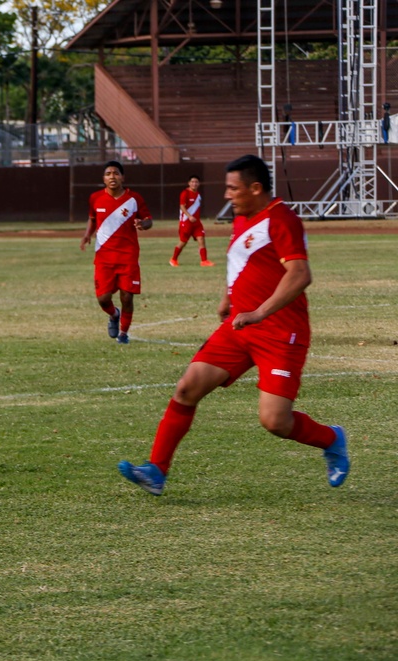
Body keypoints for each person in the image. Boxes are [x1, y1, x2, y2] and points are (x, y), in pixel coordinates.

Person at [118, 155, 349, 496]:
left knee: (275, 421)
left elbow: (300, 275)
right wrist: (229, 297)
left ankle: (332, 438)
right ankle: (156, 470)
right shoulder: (243, 217)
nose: (227, 195)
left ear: (255, 188)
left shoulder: (281, 219)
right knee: (187, 388)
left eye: (233, 188)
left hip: (281, 332)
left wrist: (259, 312)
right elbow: (242, 261)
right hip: (240, 328)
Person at [80, 161, 153, 344]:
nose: (112, 176)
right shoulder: (95, 198)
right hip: (104, 257)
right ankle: (114, 315)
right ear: (104, 179)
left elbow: (148, 220)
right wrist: (87, 234)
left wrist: (143, 224)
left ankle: (123, 334)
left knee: (127, 296)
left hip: (128, 256)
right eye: (108, 173)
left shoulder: (134, 198)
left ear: (123, 177)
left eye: (116, 173)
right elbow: (92, 218)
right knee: (103, 299)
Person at [170, 175, 214, 267]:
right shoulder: (185, 193)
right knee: (183, 242)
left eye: (196, 182)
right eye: (192, 182)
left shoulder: (198, 195)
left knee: (201, 239)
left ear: (199, 183)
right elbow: (182, 206)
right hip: (186, 222)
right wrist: (189, 216)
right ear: (189, 183)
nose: (194, 183)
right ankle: (173, 259)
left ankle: (204, 261)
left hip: (196, 223)